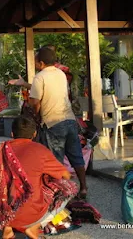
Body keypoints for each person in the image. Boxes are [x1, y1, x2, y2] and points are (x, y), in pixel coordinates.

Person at [0, 115, 77, 238]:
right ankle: (33, 226)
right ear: (34, 134)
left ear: (12, 133)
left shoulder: (1, 150)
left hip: (2, 212)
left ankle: (7, 227)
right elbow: (65, 175)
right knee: (68, 187)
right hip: (30, 215)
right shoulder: (40, 150)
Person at [28, 47, 87, 199]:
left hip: (52, 123)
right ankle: (83, 187)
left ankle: (60, 192)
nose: (34, 63)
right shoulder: (61, 74)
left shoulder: (39, 77)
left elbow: (34, 101)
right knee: (76, 156)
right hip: (69, 119)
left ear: (41, 63)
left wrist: (36, 112)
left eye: (35, 61)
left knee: (55, 159)